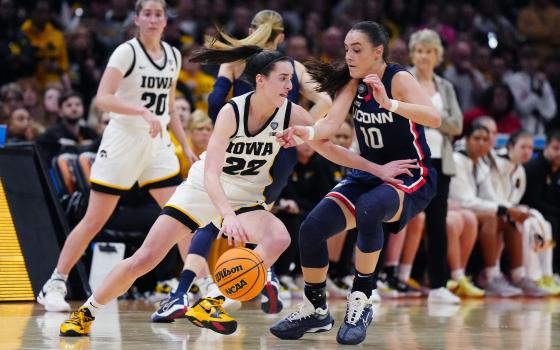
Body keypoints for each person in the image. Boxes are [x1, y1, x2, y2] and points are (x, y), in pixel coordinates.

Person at [58, 45, 413, 337]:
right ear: (260, 80)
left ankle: (212, 300)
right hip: (203, 189)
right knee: (145, 258)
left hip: (246, 196)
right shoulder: (232, 111)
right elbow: (210, 173)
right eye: (283, 79)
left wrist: (376, 168)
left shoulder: (291, 114)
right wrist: (225, 216)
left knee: (278, 237)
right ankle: (86, 312)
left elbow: (330, 147)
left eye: (292, 79)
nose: (290, 86)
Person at [152, 9, 332, 322]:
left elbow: (214, 103)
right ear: (281, 38)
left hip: (240, 145)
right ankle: (265, 275)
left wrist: (231, 121)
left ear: (250, 30)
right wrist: (303, 133)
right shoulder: (291, 67)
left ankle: (182, 293)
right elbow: (326, 103)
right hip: (278, 151)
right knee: (254, 225)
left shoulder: (236, 60)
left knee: (213, 221)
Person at [271, 21, 441, 345]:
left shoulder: (398, 78)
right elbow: (329, 125)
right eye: (347, 49)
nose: (349, 55)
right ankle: (315, 308)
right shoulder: (352, 83)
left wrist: (389, 103)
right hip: (371, 171)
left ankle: (361, 299)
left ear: (378, 51)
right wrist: (304, 133)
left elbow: (434, 118)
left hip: (409, 172)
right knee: (311, 229)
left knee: (369, 209)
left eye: (357, 49)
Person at [37, 0, 195, 313]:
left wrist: (187, 146)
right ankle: (55, 283)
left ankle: (195, 286)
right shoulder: (127, 52)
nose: (152, 19)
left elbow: (169, 105)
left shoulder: (174, 55)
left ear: (166, 20)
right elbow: (102, 98)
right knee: (95, 220)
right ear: (137, 18)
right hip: (123, 140)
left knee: (182, 217)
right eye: (146, 13)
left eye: (158, 14)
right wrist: (140, 110)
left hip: (157, 142)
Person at [407, 28, 464, 303]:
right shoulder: (404, 81)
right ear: (412, 54)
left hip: (440, 162)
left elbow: (457, 124)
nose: (424, 56)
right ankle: (377, 280)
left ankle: (438, 286)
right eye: (419, 51)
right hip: (411, 158)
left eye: (429, 51)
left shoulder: (446, 87)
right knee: (394, 217)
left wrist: (430, 116)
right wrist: (435, 119)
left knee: (437, 224)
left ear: (437, 55)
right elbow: (399, 116)